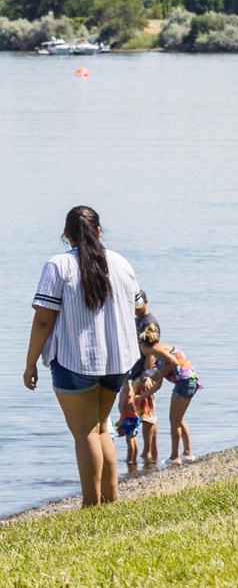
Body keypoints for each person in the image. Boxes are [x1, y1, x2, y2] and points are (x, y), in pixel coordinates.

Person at [24, 206, 142, 507]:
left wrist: (30, 363)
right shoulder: (120, 262)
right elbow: (140, 306)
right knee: (102, 426)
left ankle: (91, 506)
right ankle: (110, 499)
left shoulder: (58, 265)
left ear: (66, 235)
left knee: (85, 432)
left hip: (75, 360)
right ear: (99, 231)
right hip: (117, 361)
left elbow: (43, 320)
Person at [135, 321, 201, 466]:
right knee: (179, 418)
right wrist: (142, 396)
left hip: (184, 382)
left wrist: (158, 374)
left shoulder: (155, 350)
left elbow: (174, 363)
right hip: (190, 382)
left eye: (140, 347)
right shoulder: (160, 350)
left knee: (174, 420)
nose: (141, 350)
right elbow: (158, 385)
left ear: (144, 344)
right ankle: (188, 453)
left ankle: (175, 457)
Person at [131, 292, 159, 466]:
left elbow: (152, 352)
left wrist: (145, 376)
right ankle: (152, 451)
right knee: (148, 414)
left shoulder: (149, 322)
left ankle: (147, 452)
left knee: (146, 414)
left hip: (144, 375)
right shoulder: (138, 321)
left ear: (146, 302)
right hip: (136, 372)